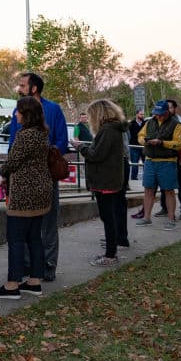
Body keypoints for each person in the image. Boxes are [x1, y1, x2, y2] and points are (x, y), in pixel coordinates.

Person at [0, 96, 50, 300]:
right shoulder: (43, 134)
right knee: (34, 238)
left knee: (15, 239)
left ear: (26, 114)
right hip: (41, 192)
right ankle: (34, 281)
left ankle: (12, 285)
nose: (16, 115)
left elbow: (12, 162)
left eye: (18, 111)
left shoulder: (25, 135)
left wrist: (3, 173)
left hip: (24, 194)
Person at [8, 72, 67, 281]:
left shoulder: (53, 109)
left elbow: (62, 141)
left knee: (48, 225)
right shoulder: (18, 110)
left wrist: (43, 157)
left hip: (46, 175)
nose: (19, 88)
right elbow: (13, 141)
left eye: (22, 85)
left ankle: (48, 267)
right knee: (24, 224)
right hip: (22, 179)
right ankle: (26, 266)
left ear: (34, 88)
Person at [73, 99, 128, 267]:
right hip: (109, 179)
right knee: (108, 216)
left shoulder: (108, 130)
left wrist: (80, 147)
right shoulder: (113, 129)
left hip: (105, 181)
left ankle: (110, 255)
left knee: (108, 217)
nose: (89, 119)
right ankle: (111, 251)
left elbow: (97, 155)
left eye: (91, 115)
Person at [136, 100, 181, 230]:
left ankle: (171, 219)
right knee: (148, 189)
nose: (158, 116)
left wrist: (162, 142)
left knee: (168, 190)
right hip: (150, 161)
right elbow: (140, 135)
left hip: (167, 162)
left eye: (161, 114)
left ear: (167, 112)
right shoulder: (150, 122)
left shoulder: (176, 125)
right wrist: (143, 141)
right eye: (156, 114)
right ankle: (146, 217)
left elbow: (179, 144)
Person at [128, 110, 145, 181]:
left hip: (143, 146)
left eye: (143, 114)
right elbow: (129, 135)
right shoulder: (131, 124)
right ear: (137, 115)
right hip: (134, 146)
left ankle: (146, 177)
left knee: (145, 163)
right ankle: (134, 178)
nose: (142, 116)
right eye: (141, 114)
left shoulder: (145, 123)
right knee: (135, 163)